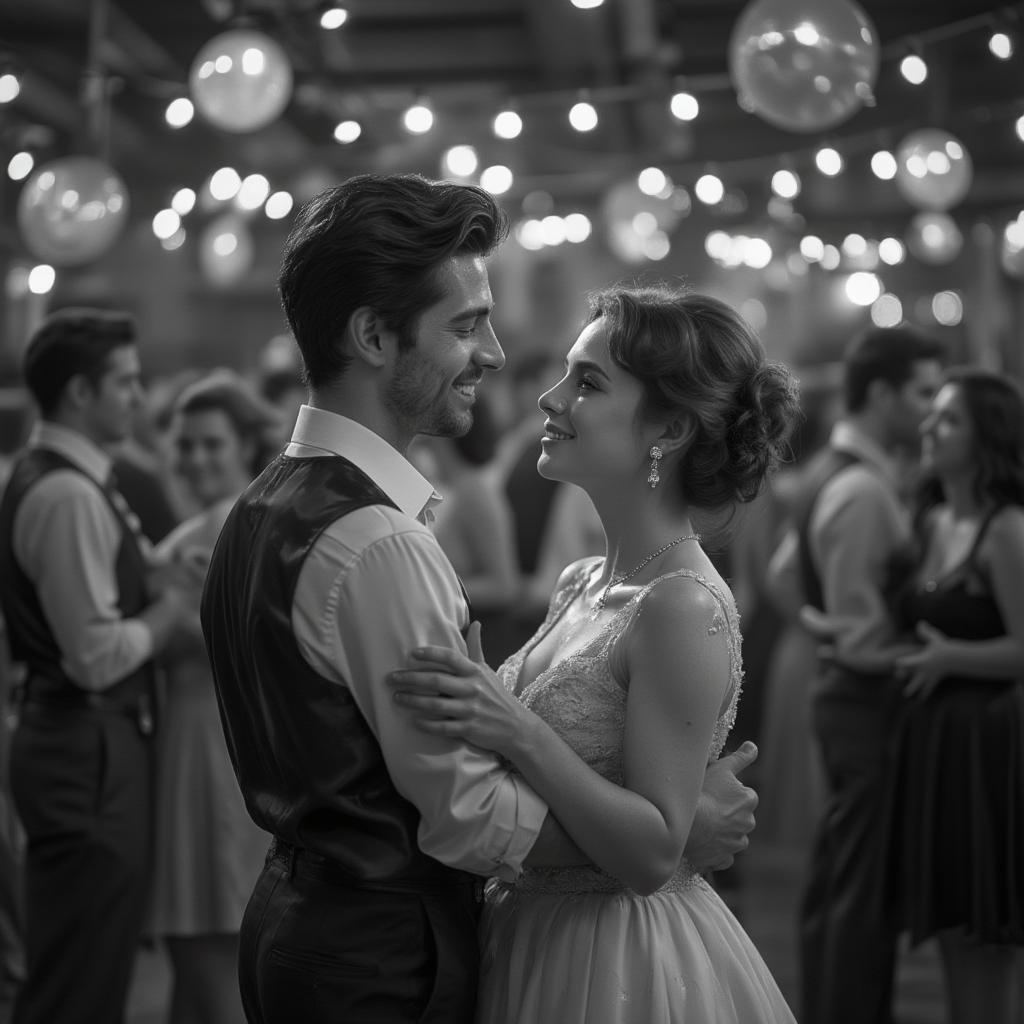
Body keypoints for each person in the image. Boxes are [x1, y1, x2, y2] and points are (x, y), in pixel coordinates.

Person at [199, 173, 761, 1024]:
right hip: (382, 955)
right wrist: (673, 841)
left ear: (669, 432)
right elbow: (468, 813)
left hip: (350, 926)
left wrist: (658, 838)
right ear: (373, 337)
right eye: (465, 325)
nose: (501, 358)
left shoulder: (265, 504)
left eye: (588, 382)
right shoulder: (381, 541)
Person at [388, 284, 801, 1023]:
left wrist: (514, 728)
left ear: (667, 430)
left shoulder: (681, 605)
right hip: (528, 931)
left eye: (588, 382)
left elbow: (650, 854)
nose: (549, 398)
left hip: (614, 961)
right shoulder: (583, 580)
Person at [0, 308, 201, 1024]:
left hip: (88, 741)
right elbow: (93, 656)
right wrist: (170, 612)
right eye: (125, 382)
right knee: (79, 972)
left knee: (92, 957)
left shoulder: (73, 479)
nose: (140, 398)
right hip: (86, 742)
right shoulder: (66, 494)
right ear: (80, 394)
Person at [779, 325, 944, 1024]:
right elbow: (864, 637)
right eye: (924, 393)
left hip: (847, 692)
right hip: (866, 700)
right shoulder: (864, 489)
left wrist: (822, 625)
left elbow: (786, 576)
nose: (934, 411)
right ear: (881, 395)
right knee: (860, 888)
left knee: (848, 877)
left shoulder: (834, 471)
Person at [883, 369, 1024, 1024]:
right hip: (935, 743)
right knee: (949, 926)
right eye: (931, 416)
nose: (929, 430)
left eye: (950, 420)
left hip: (987, 750)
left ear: (988, 435)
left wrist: (951, 658)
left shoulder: (1006, 529)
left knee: (985, 932)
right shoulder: (935, 518)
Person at [151, 372, 279, 1024]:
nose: (196, 458)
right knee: (194, 947)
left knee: (213, 939)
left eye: (211, 444)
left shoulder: (238, 527)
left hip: (216, 746)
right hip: (191, 740)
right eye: (185, 444)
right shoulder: (198, 532)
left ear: (246, 446)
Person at [413, 392, 521, 664]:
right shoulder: (446, 488)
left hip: (479, 649)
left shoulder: (476, 493)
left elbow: (504, 585)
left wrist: (429, 592)